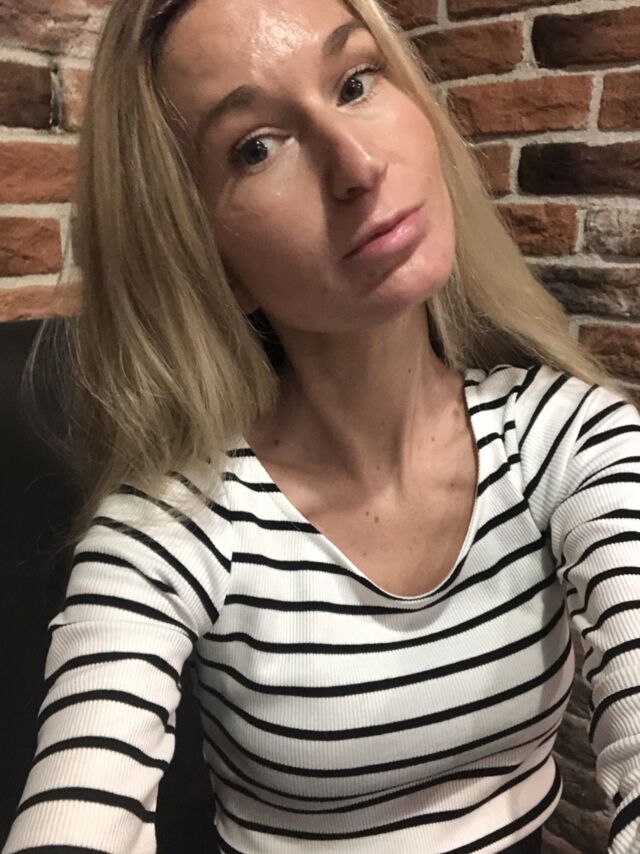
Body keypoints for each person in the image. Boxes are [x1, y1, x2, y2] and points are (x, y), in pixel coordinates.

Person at [4, 0, 640, 851]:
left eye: (356, 82)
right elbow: (81, 789)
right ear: (206, 254)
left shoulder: (569, 443)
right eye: (256, 147)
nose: (359, 163)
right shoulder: (173, 528)